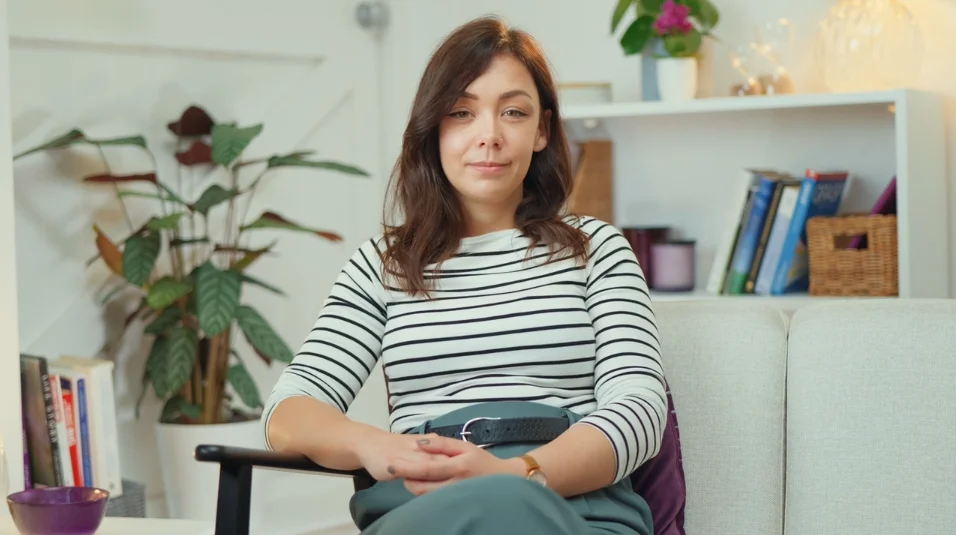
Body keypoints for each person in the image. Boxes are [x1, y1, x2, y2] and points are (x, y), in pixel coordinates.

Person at [262, 15, 667, 535]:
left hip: (573, 508)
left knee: (505, 505)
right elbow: (288, 412)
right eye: (461, 112)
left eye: (514, 112)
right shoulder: (381, 266)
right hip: (425, 503)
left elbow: (639, 408)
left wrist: (515, 476)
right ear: (433, 127)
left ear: (542, 131)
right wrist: (377, 446)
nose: (489, 136)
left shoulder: (597, 250)